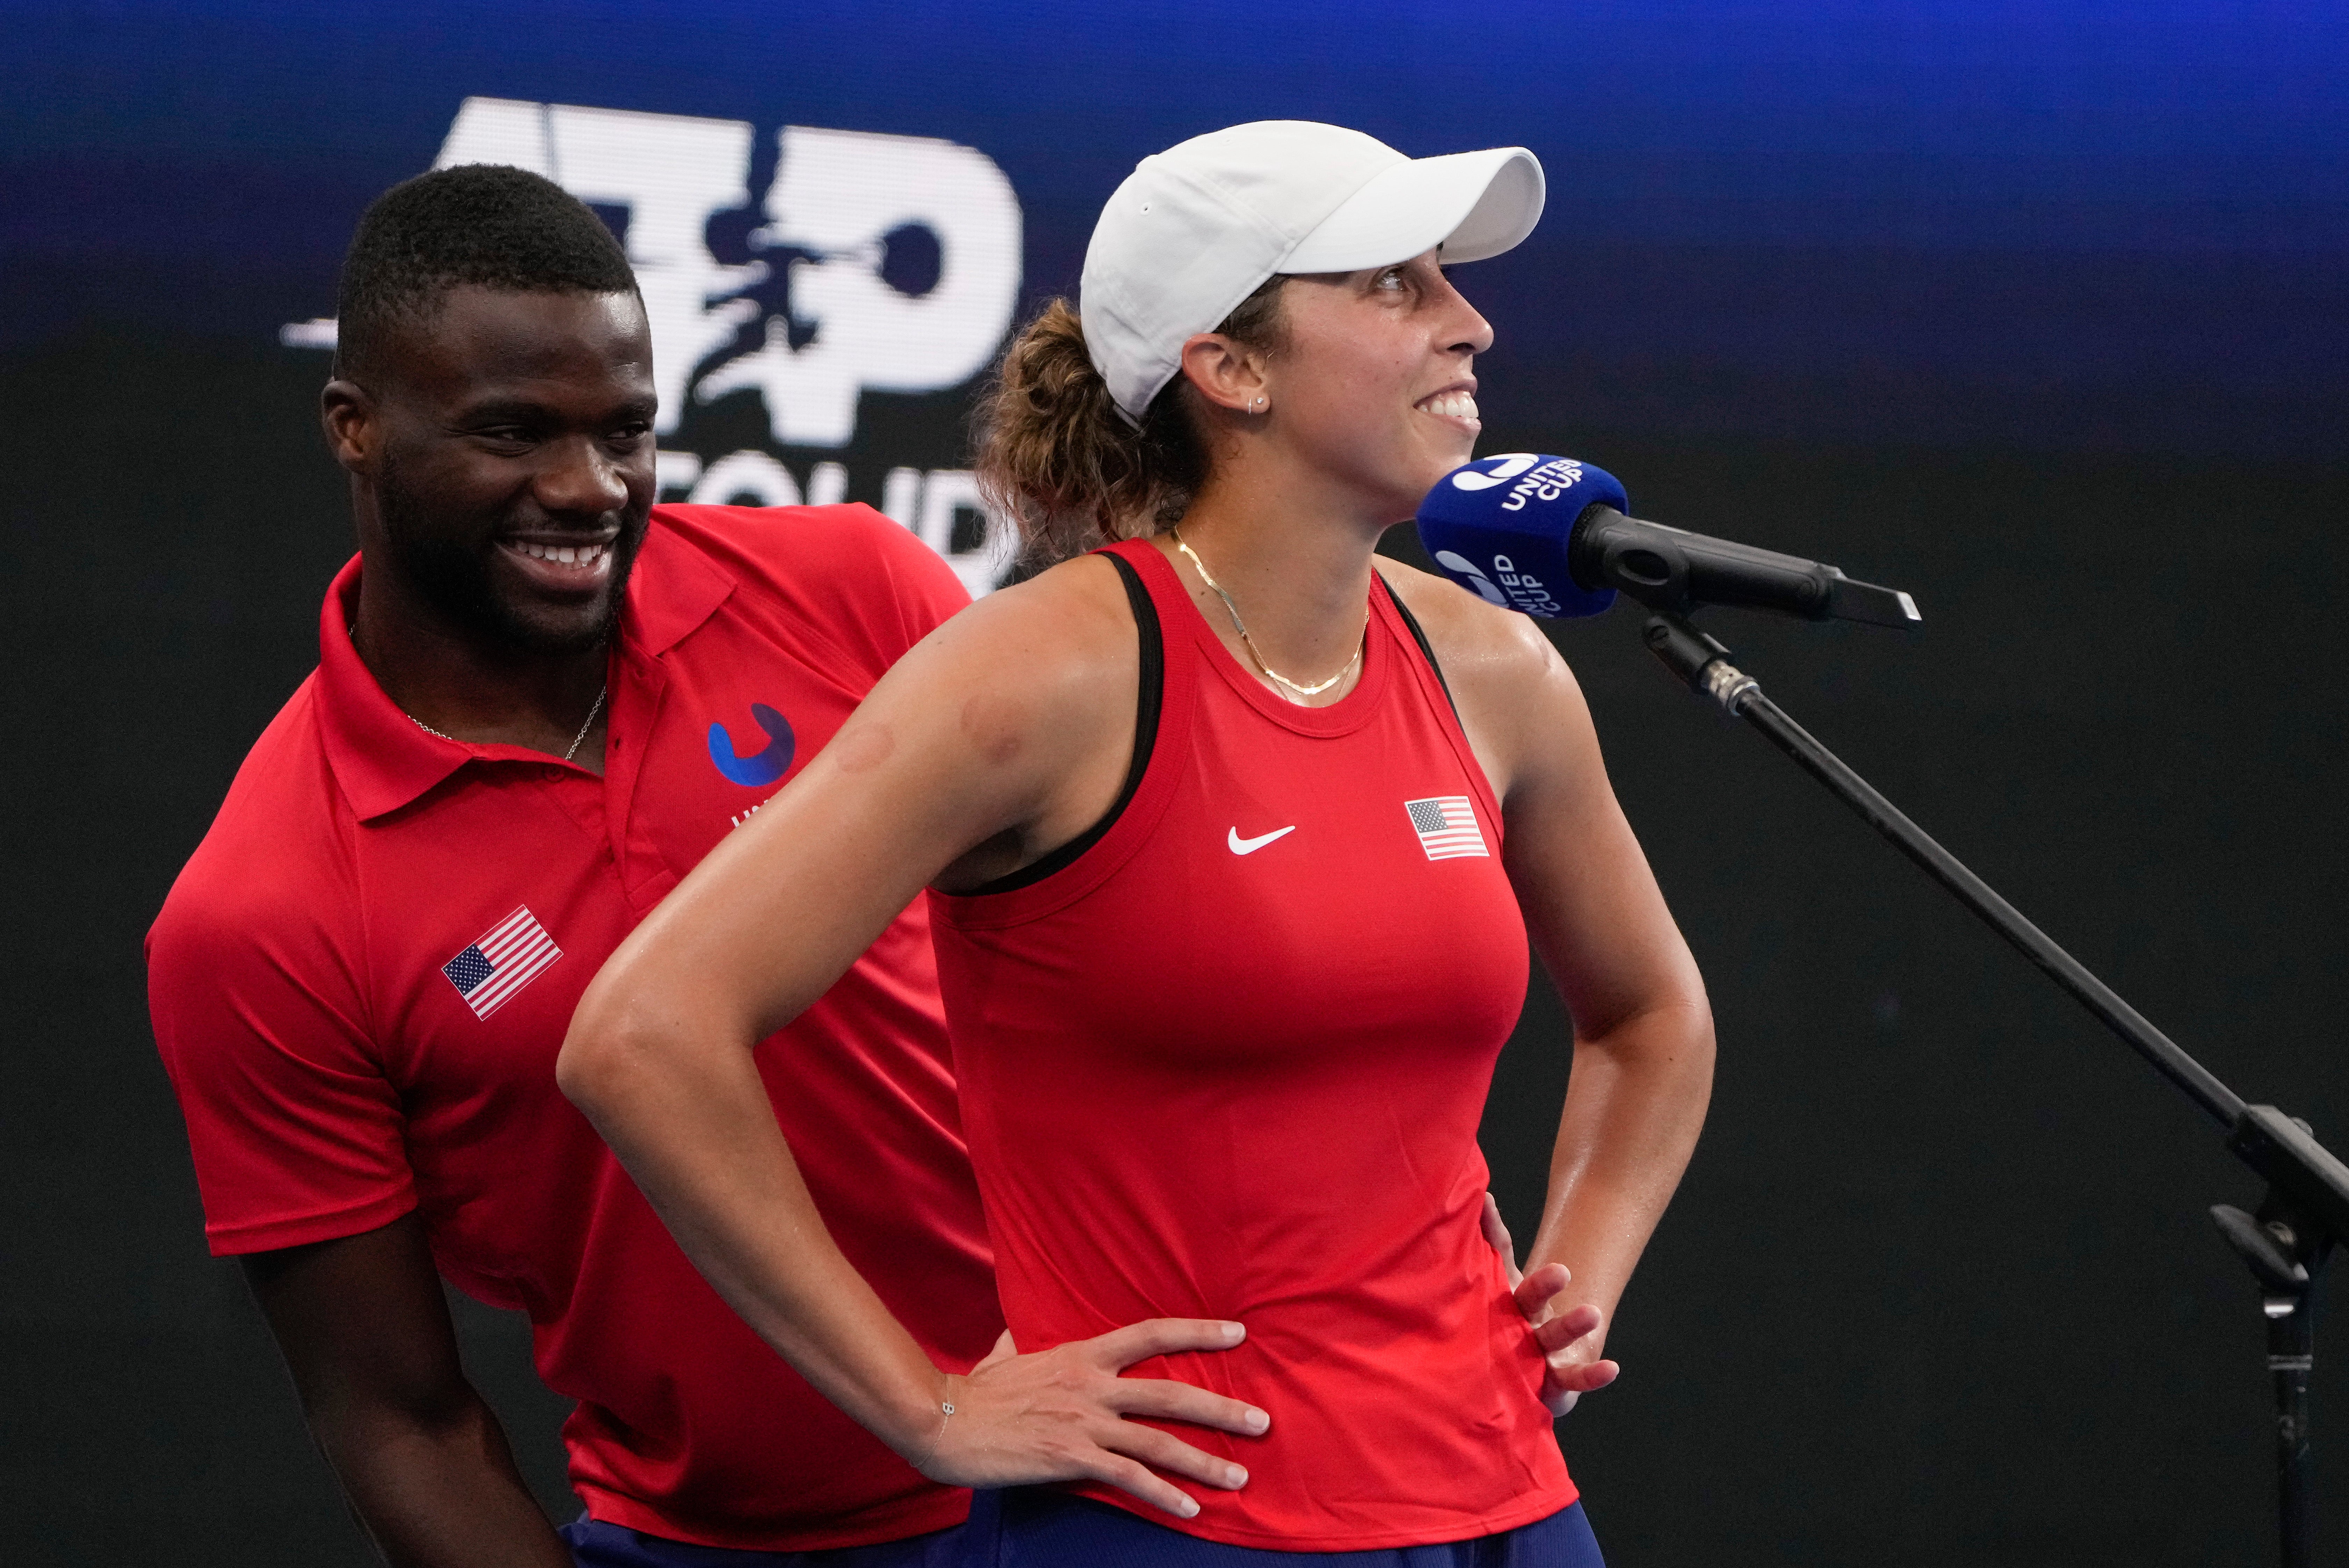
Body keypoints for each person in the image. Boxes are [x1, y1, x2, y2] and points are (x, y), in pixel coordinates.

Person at [559, 121, 1716, 1563]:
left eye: (1449, 283)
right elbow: (644, 1033)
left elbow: (1652, 1014)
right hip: (1173, 1523)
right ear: (1230, 367)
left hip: (1511, 1507)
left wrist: (1577, 1277)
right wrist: (924, 1402)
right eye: (1394, 286)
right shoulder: (1039, 677)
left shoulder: (1495, 669)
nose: (1470, 322)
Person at [145, 164, 1260, 1568]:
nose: (586, 487)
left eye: (627, 431)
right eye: (513, 434)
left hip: (1125, 1478)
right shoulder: (260, 912)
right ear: (356, 428)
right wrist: (931, 1408)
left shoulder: (853, 588)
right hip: (725, 1543)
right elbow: (400, 1420)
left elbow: (1171, 952)